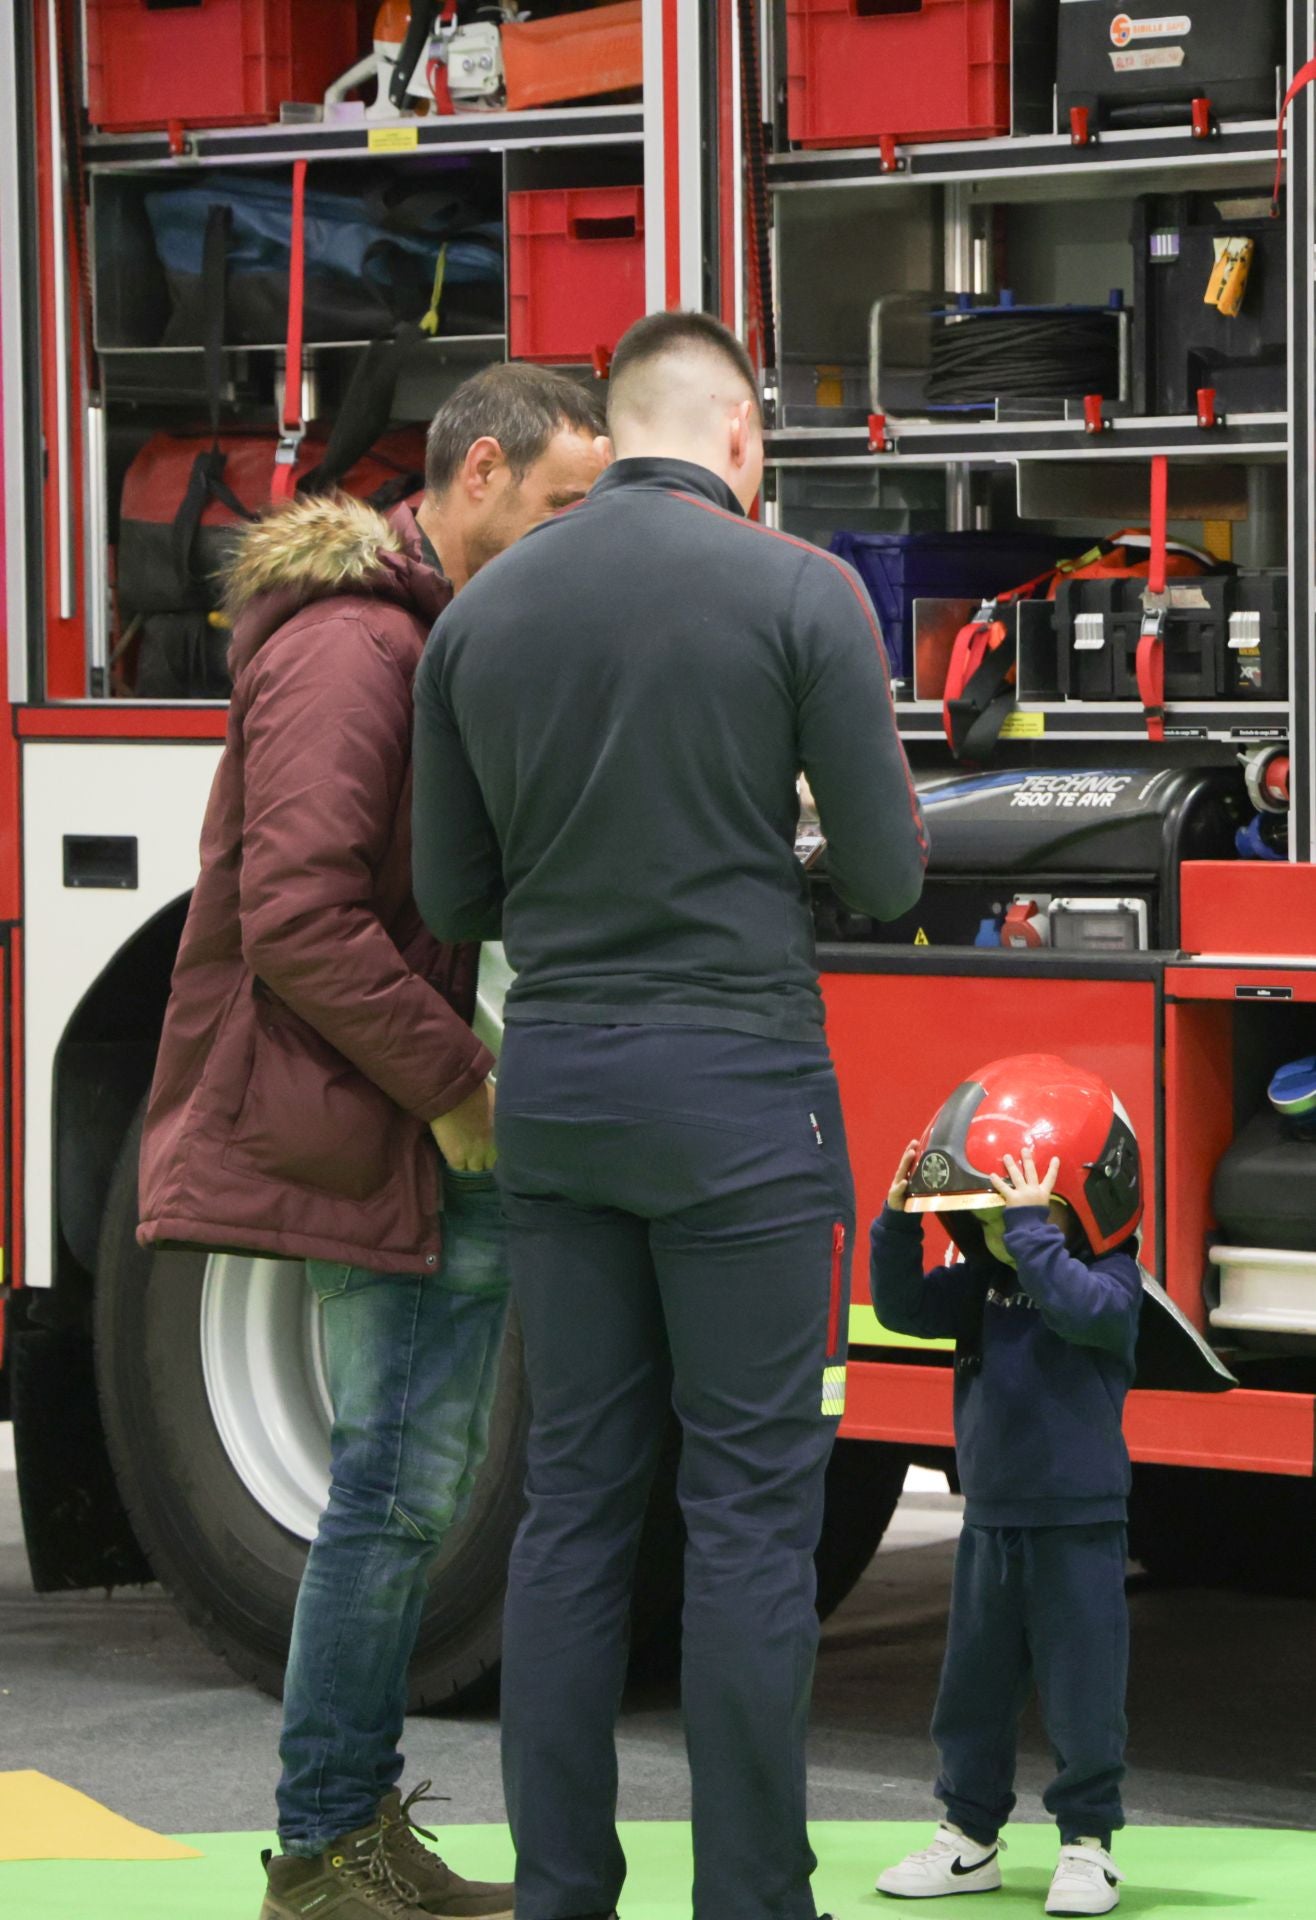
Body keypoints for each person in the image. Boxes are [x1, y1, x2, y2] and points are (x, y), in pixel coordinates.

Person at [410, 309, 928, 1920]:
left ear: (616, 427)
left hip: (560, 1092)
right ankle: (751, 1900)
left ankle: (565, 1893)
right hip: (742, 1106)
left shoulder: (480, 619)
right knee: (752, 1521)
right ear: (741, 438)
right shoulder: (800, 593)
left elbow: (450, 894)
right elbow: (895, 876)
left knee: (573, 1506)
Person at [136, 364, 610, 1920]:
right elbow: (301, 922)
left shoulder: (430, 633)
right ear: (477, 474)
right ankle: (326, 1849)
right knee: (396, 1494)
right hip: (396, 1132)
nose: (577, 539)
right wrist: (457, 1085)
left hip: (406, 1129)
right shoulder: (355, 650)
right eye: (559, 507)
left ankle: (345, 1830)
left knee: (405, 1490)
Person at [870, 1054, 1144, 1917]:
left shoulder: (1111, 1283)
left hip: (1079, 1525)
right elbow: (902, 1308)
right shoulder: (981, 1285)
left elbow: (1077, 1307)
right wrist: (895, 1224)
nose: (993, 1224)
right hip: (990, 1520)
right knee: (973, 1691)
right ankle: (968, 1838)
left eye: (1015, 1206)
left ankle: (1088, 1846)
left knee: (1083, 1691)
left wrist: (1028, 1232)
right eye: (989, 1212)